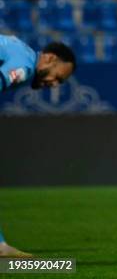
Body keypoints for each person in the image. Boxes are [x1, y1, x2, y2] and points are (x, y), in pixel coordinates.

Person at [0, 36, 76, 257]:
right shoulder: (24, 66)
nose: (53, 84)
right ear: (49, 58)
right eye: (57, 77)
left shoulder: (20, 53)